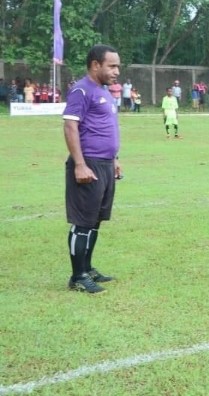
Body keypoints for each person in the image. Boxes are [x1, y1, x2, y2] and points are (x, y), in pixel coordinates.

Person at [62, 44, 123, 293]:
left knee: (95, 220)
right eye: (112, 65)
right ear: (96, 65)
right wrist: (79, 164)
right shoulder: (82, 90)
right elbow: (70, 126)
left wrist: (115, 158)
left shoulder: (104, 91)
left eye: (118, 66)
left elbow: (105, 129)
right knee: (82, 223)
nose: (117, 71)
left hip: (106, 164)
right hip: (88, 164)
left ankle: (87, 269)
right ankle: (77, 277)